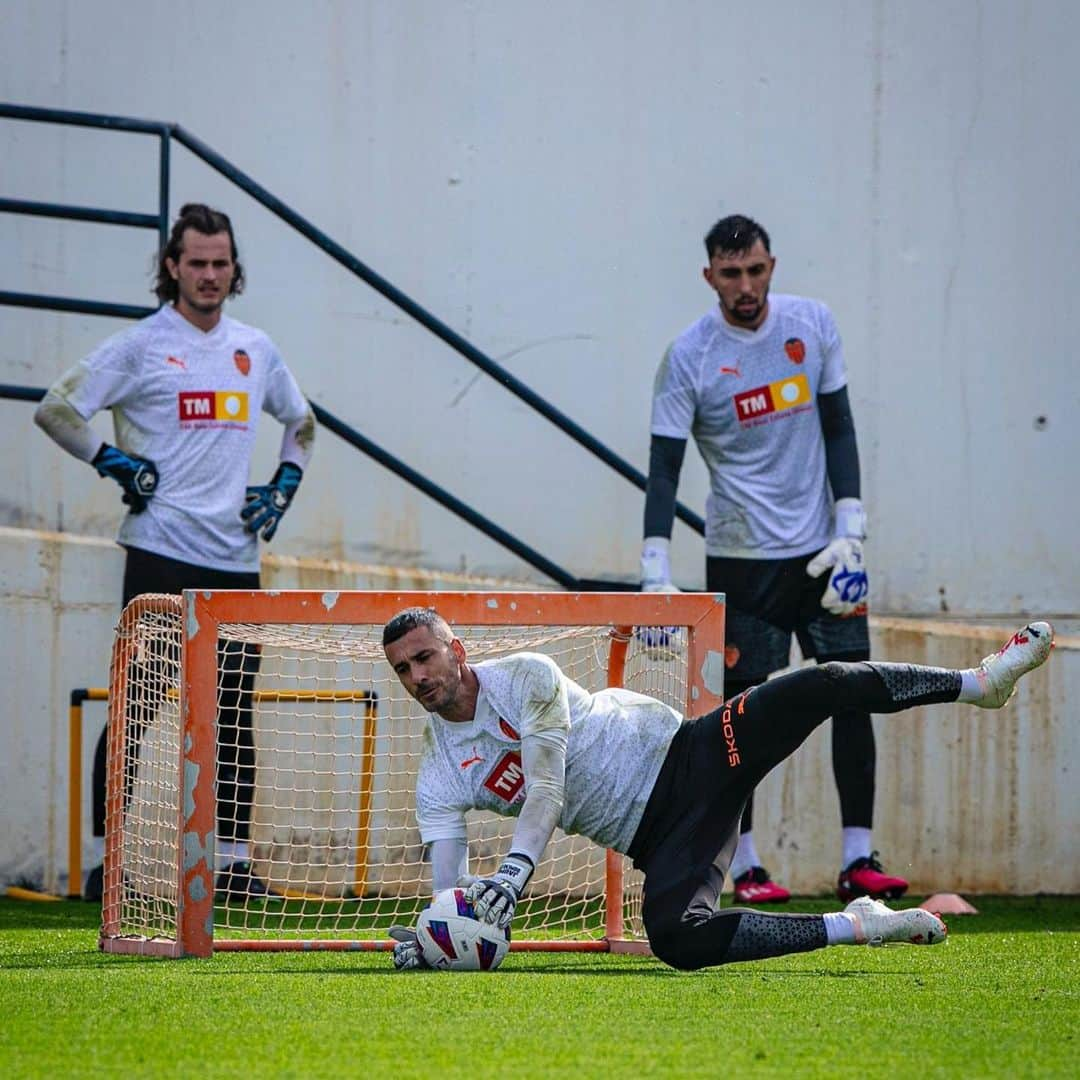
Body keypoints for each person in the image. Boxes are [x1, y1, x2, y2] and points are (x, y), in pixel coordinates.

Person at [382, 608, 1053, 971]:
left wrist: (517, 868)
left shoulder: (525, 675)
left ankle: (979, 684)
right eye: (403, 668)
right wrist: (439, 930)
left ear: (457, 649)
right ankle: (858, 926)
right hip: (666, 840)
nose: (417, 676)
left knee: (820, 684)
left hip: (696, 756)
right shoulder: (437, 774)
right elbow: (451, 887)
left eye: (425, 656)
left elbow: (547, 789)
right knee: (677, 940)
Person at [34, 202, 316, 902]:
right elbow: (57, 409)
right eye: (197, 263)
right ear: (172, 267)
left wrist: (281, 487)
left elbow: (302, 424)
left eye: (221, 263)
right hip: (159, 553)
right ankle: (108, 861)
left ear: (234, 268)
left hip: (235, 560)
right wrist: (113, 462)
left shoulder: (257, 348)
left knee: (232, 712)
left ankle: (232, 864)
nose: (210, 275)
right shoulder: (139, 345)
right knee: (138, 704)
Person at [640, 212, 897, 905]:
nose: (746, 286)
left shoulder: (812, 325)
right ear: (709, 278)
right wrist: (655, 572)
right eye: (731, 275)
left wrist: (852, 528)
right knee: (742, 719)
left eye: (755, 271)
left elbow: (838, 425)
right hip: (742, 559)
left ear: (772, 267)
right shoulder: (690, 354)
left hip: (825, 555)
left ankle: (858, 858)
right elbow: (665, 468)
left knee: (856, 691)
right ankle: (744, 865)